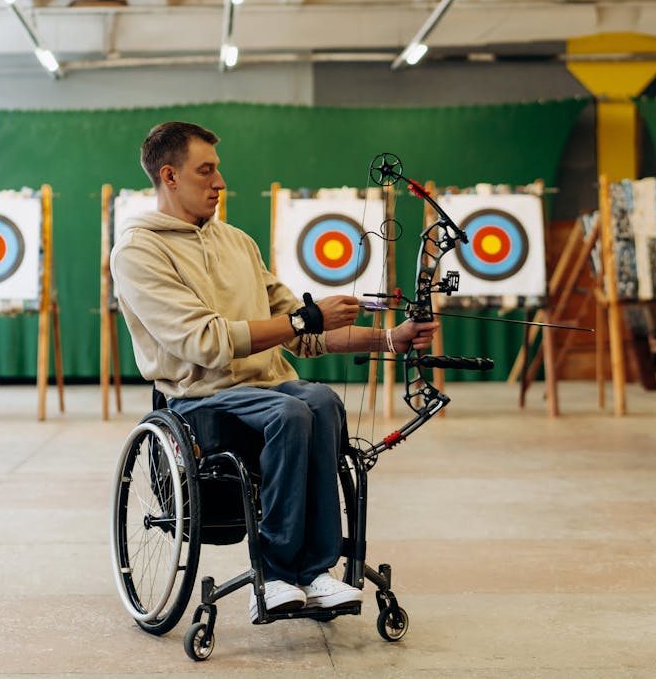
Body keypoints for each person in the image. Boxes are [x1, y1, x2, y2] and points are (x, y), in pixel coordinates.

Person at [110, 121, 437, 624]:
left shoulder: (237, 242)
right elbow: (207, 342)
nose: (220, 182)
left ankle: (317, 571)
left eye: (218, 170)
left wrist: (388, 338)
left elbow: (303, 334)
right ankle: (278, 575)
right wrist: (301, 318)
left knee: (322, 401)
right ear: (170, 176)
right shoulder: (138, 250)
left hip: (269, 389)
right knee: (289, 412)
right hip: (200, 399)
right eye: (207, 170)